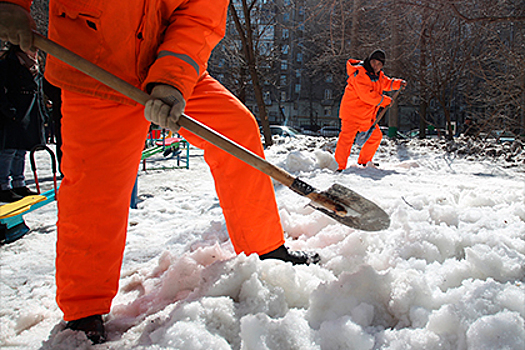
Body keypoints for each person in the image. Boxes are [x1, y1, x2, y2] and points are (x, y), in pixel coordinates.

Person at [0, 0, 319, 344]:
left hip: (167, 66)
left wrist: (172, 79)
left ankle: (266, 248)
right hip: (96, 62)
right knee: (96, 191)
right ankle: (83, 310)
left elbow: (200, 16)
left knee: (235, 128)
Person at [334, 49, 406, 171]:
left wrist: (397, 83)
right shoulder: (360, 74)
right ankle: (338, 166)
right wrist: (385, 101)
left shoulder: (378, 76)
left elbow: (386, 83)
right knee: (346, 140)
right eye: (374, 62)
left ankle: (364, 161)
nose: (376, 66)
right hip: (351, 114)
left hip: (366, 116)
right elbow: (367, 95)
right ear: (369, 60)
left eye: (379, 64)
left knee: (375, 136)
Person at [0, 41, 46, 203]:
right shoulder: (8, 63)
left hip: (29, 108)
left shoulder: (34, 64)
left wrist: (42, 113)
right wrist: (8, 109)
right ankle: (3, 185)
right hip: (14, 108)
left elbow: (38, 89)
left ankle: (19, 183)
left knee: (21, 149)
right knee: (9, 149)